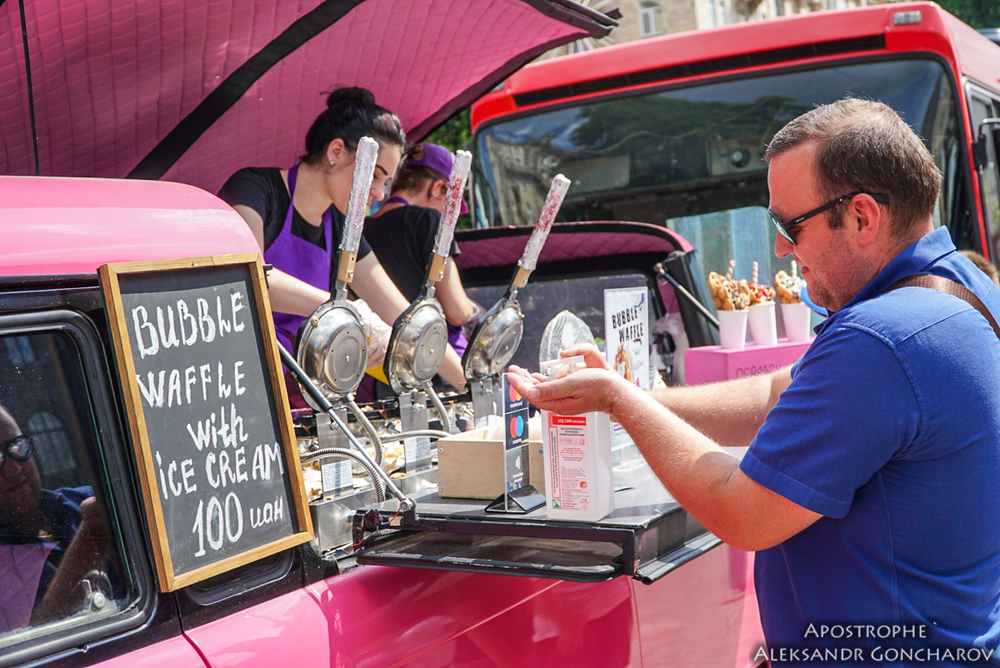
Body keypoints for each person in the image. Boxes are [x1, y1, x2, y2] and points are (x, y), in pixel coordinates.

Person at [509, 98, 1000, 664]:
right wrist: (641, 396)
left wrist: (618, 401)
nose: (780, 248)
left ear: (862, 217)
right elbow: (777, 396)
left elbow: (739, 511)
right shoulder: (964, 287)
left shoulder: (879, 340)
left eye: (791, 225)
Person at [218, 88, 467, 402]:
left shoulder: (341, 226)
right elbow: (250, 278)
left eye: (386, 182)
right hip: (241, 381)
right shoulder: (254, 189)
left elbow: (404, 317)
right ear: (335, 151)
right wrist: (344, 310)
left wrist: (469, 386)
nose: (379, 193)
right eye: (374, 175)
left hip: (306, 389)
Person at [365, 142, 484, 360]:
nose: (452, 215)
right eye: (452, 203)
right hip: (433, 359)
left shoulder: (362, 228)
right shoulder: (430, 221)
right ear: (437, 188)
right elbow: (458, 313)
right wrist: (475, 310)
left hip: (379, 358)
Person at [0, 405, 112, 631]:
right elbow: (32, 640)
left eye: (18, 446)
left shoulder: (82, 500)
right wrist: (93, 536)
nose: (15, 469)